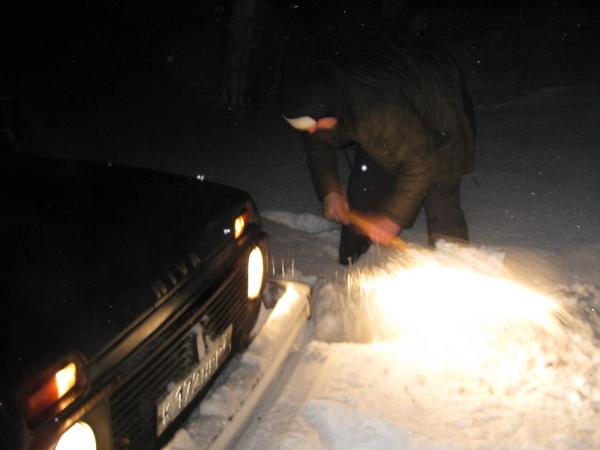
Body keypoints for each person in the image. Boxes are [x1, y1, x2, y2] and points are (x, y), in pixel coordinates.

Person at [278, 40, 476, 265]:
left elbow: (421, 161)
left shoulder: (378, 110)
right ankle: (351, 263)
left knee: (441, 200)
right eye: (301, 127)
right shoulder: (324, 99)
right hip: (394, 112)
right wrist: (329, 190)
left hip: (441, 114)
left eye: (309, 124)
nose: (309, 131)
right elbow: (317, 143)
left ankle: (455, 265)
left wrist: (393, 219)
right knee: (364, 187)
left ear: (329, 108)